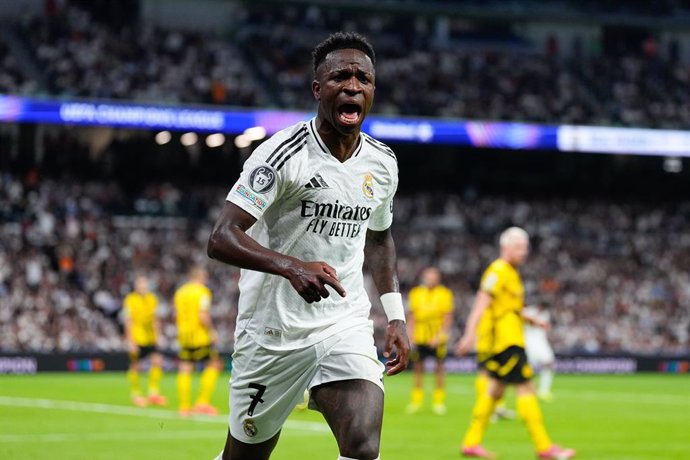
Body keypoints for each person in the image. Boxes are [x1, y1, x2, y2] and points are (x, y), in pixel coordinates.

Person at [207, 31, 410, 460]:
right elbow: (221, 237)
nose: (353, 86)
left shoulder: (383, 163)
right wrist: (292, 267)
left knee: (363, 446)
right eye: (341, 77)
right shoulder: (282, 154)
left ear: (373, 90)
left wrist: (395, 316)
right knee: (244, 455)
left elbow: (379, 237)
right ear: (318, 89)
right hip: (272, 332)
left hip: (344, 323)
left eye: (364, 79)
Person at [456, 227, 574, 459]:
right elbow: (482, 301)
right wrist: (469, 334)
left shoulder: (510, 273)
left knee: (495, 391)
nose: (524, 252)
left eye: (526, 247)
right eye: (519, 247)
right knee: (526, 387)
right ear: (505, 247)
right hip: (505, 341)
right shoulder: (498, 270)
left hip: (507, 339)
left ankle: (470, 443)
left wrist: (533, 321)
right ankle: (544, 448)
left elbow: (511, 308)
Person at [174, 266, 223, 416]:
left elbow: (176, 314)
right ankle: (202, 402)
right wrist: (212, 331)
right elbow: (203, 315)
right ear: (200, 277)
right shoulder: (202, 292)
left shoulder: (180, 292)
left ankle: (184, 407)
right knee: (215, 364)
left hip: (184, 336)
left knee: (185, 368)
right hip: (200, 336)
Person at [405, 267, 454, 415]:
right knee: (418, 368)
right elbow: (412, 316)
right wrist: (410, 335)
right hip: (420, 335)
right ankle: (416, 400)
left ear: (438, 278)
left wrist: (440, 336)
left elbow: (447, 317)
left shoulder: (445, 294)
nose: (430, 279)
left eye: (433, 277)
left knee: (439, 368)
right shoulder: (416, 293)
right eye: (428, 276)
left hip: (437, 335)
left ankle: (438, 401)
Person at [123, 274, 166, 407]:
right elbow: (128, 321)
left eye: (145, 284)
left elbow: (155, 319)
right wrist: (130, 340)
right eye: (140, 284)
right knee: (135, 365)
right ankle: (136, 394)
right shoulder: (130, 300)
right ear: (136, 287)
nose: (143, 287)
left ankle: (153, 393)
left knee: (157, 361)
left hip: (150, 337)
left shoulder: (152, 299)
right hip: (137, 337)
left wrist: (158, 335)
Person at [523, 301, 556, 401]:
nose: (543, 310)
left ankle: (543, 391)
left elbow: (544, 326)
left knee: (548, 363)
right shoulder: (529, 311)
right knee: (529, 367)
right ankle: (529, 389)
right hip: (528, 341)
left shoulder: (546, 314)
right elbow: (526, 320)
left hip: (540, 341)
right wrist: (537, 323)